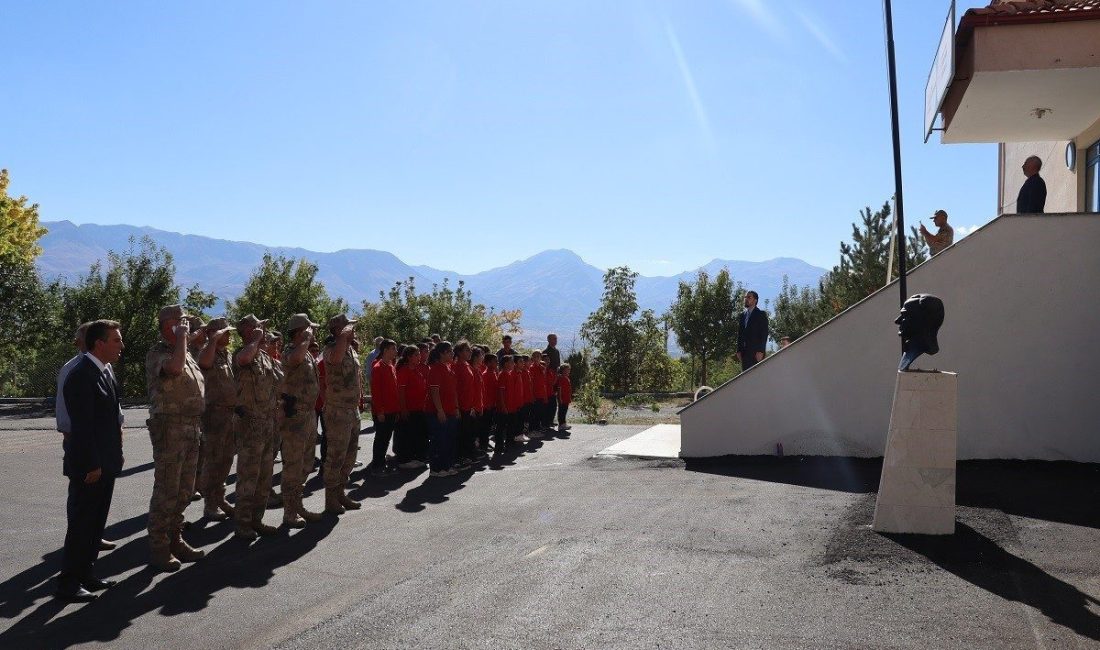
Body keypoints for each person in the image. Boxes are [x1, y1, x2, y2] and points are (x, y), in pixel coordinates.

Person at [55, 320, 125, 602]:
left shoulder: (104, 371)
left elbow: (109, 420)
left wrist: (113, 455)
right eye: (116, 340)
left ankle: (86, 573)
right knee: (82, 524)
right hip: (90, 466)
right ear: (100, 344)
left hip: (104, 463)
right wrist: (93, 464)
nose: (121, 346)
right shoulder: (81, 374)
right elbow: (81, 427)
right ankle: (68, 583)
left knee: (95, 523)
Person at [145, 305, 208, 571]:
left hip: (191, 427)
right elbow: (173, 369)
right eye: (179, 321)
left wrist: (188, 340)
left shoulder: (184, 351)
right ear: (166, 325)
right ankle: (160, 547)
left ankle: (175, 538)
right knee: (167, 490)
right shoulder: (158, 353)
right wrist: (183, 338)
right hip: (170, 428)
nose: (185, 323)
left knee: (184, 490)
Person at [232, 314, 281, 539]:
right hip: (250, 423)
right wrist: (255, 341)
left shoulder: (263, 356)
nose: (264, 330)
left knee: (264, 476)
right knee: (248, 477)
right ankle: (242, 524)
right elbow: (243, 360)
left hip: (268, 422)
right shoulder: (243, 354)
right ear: (248, 332)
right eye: (258, 328)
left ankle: (256, 520)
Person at [278, 314, 324, 527]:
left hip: (308, 415)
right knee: (293, 465)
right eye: (308, 329)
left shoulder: (305, 353)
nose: (313, 333)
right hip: (294, 416)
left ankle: (297, 504)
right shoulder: (290, 352)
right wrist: (306, 339)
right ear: (299, 332)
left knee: (306, 463)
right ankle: (289, 512)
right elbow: (293, 360)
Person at [321, 314, 363, 514]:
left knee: (350, 455)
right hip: (337, 411)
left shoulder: (350, 349)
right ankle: (330, 499)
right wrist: (342, 339)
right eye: (348, 327)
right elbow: (336, 360)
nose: (352, 330)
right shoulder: (331, 349)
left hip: (352, 410)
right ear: (339, 330)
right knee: (336, 456)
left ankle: (341, 493)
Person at [197, 317, 237, 521]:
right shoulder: (206, 350)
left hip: (229, 415)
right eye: (226, 332)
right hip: (214, 414)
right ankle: (210, 504)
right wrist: (213, 340)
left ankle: (220, 498)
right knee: (213, 460)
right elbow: (203, 363)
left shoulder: (227, 354)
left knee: (226, 459)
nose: (229, 335)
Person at [427, 341, 460, 477]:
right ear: (442, 353)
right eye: (449, 351)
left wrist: (456, 407)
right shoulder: (435, 369)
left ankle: (446, 466)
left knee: (448, 440)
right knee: (439, 440)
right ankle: (436, 469)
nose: (452, 354)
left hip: (450, 410)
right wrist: (440, 410)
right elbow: (434, 392)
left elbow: (453, 390)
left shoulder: (448, 367)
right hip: (438, 412)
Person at [368, 338, 399, 476]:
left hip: (392, 410)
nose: (396, 351)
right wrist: (380, 411)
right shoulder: (378, 367)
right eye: (393, 349)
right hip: (383, 411)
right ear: (385, 350)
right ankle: (377, 466)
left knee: (386, 439)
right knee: (381, 439)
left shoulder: (391, 365)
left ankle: (381, 463)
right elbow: (376, 392)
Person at [395, 344, 428, 469]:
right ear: (409, 357)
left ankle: (415, 457)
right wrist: (403, 409)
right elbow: (401, 392)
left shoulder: (417, 370)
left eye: (419, 354)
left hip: (419, 408)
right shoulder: (404, 370)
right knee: (407, 435)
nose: (419, 357)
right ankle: (404, 460)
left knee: (417, 434)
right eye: (416, 355)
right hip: (410, 409)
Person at [736, 291, 769, 372]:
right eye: (745, 297)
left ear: (755, 300)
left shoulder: (761, 314)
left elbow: (764, 333)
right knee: (746, 378)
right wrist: (738, 350)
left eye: (749, 297)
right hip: (744, 353)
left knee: (756, 377)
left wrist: (761, 351)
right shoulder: (742, 316)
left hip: (756, 353)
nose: (746, 299)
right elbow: (740, 334)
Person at [556, 363, 572, 432]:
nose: (568, 371)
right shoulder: (561, 378)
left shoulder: (567, 378)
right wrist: (560, 398)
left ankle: (563, 423)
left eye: (569, 370)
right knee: (561, 411)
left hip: (566, 398)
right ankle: (561, 424)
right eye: (567, 370)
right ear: (562, 371)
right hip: (562, 399)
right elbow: (559, 389)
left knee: (564, 411)